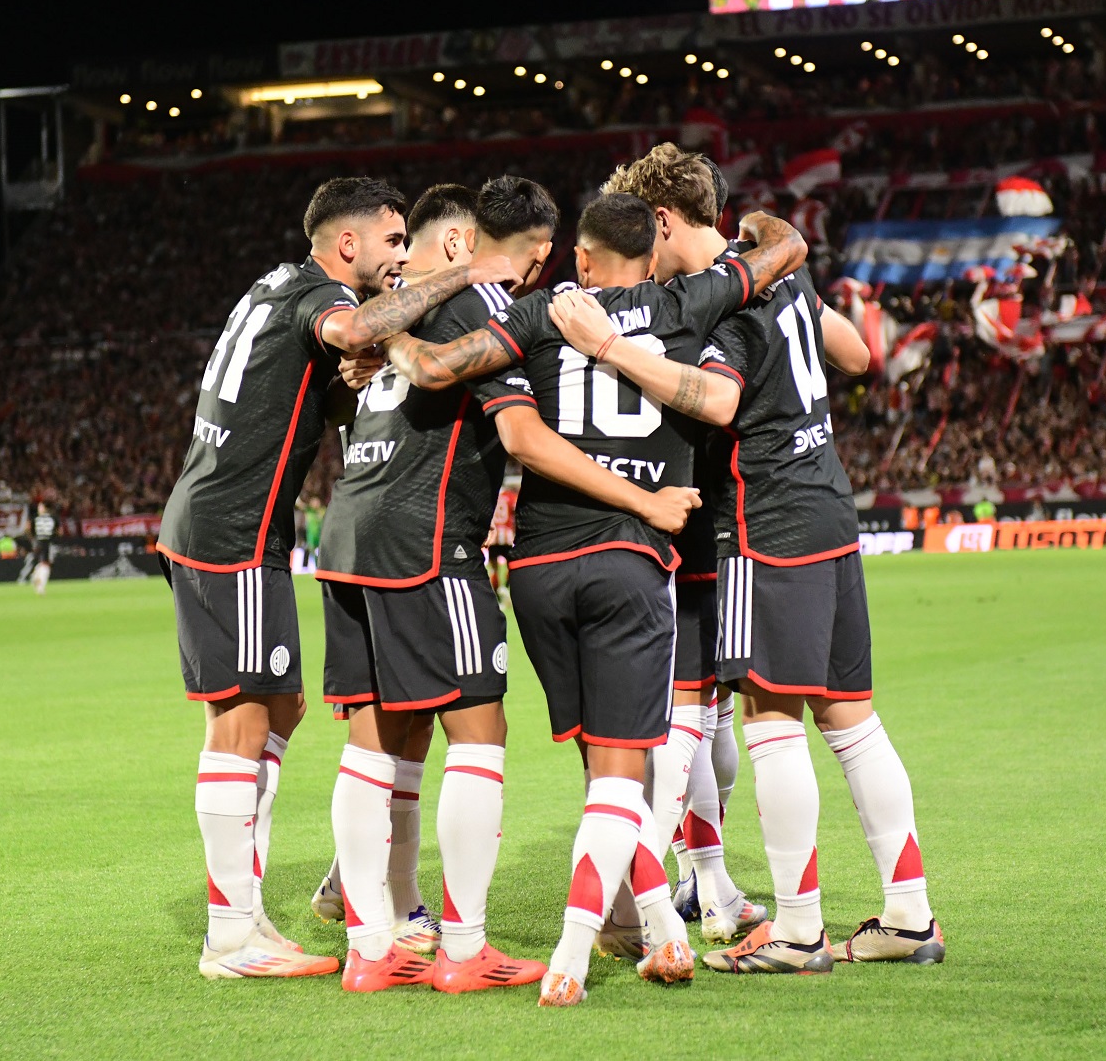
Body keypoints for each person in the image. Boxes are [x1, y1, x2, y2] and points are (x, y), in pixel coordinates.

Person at [386, 193, 806, 1005]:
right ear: (651, 257)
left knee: (601, 766)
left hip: (538, 574)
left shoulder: (540, 310)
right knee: (623, 776)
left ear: (579, 257)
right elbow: (784, 250)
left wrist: (381, 335)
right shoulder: (691, 298)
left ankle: (658, 927)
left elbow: (438, 367)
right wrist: (742, 230)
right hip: (628, 562)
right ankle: (574, 956)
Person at [314, 178, 698, 994]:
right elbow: (520, 432)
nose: (530, 276)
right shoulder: (479, 302)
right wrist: (644, 500)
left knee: (376, 739)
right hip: (428, 540)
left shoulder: (393, 303)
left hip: (347, 530)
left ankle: (370, 944)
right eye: (529, 258)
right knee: (481, 735)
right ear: (465, 246)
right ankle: (463, 948)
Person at [548, 232, 944, 974]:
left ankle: (792, 930)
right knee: (850, 717)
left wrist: (607, 346)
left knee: (758, 719)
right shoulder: (782, 270)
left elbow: (721, 397)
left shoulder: (725, 296)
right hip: (828, 506)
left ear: (665, 223)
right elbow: (856, 355)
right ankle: (907, 913)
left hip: (759, 525)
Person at [157, 176, 522, 980]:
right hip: (235, 530)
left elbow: (289, 391)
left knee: (278, 705)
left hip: (221, 521)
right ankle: (231, 934)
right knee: (242, 723)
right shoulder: (320, 293)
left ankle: (263, 906)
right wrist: (464, 271)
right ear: (348, 243)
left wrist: (334, 389)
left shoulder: (274, 285)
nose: (400, 259)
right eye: (393, 243)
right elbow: (356, 324)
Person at [597, 144, 765, 946]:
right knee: (693, 716)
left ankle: (707, 877)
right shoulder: (724, 287)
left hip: (699, 519)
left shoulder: (685, 298)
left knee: (705, 716)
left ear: (662, 221)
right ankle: (650, 890)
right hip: (700, 521)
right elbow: (853, 350)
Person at [29, 501, 56, 595]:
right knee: (46, 564)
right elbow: (59, 531)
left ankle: (35, 576)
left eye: (40, 507)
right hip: (48, 543)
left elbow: (29, 529)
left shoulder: (35, 518)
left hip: (38, 542)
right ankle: (40, 585)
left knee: (41, 563)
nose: (38, 509)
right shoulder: (53, 518)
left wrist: (33, 539)